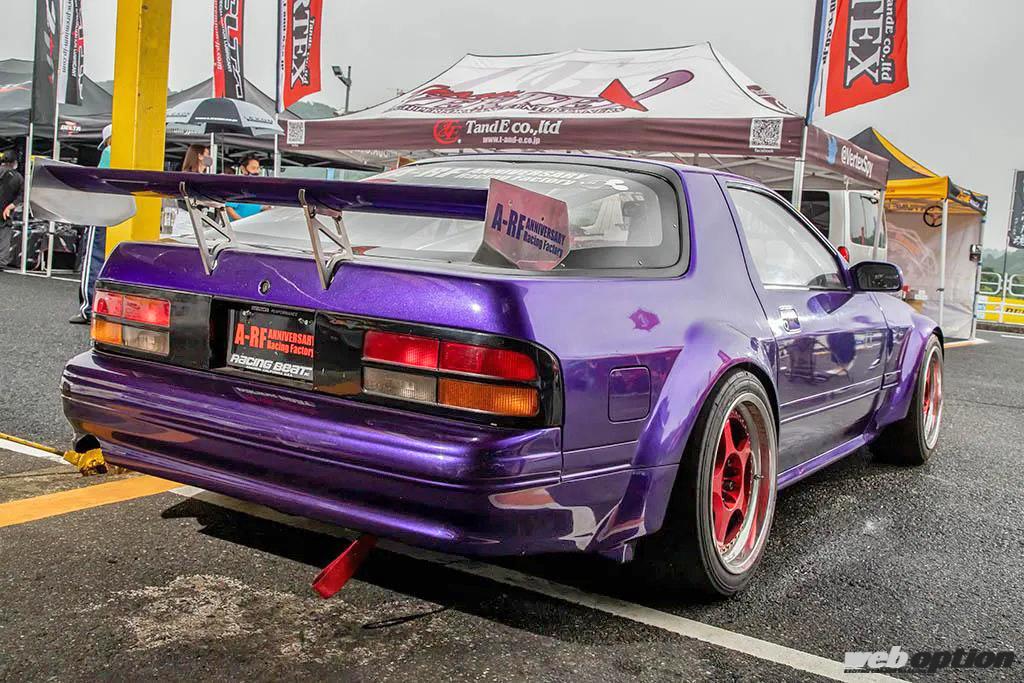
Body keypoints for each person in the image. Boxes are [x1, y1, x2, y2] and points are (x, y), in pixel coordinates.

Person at [70, 125, 113, 324]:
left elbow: (98, 182)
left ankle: (88, 308)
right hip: (126, 212)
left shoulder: (109, 152)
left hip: (102, 211)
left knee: (94, 257)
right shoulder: (137, 152)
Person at [0, 150, 24, 272]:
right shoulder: (18, 177)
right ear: (14, 162)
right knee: (4, 236)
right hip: (5, 211)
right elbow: (22, 195)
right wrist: (11, 206)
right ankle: (1, 262)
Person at [225, 154, 266, 221]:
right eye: (253, 168)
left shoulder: (257, 187)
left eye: (258, 168)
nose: (257, 171)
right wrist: (242, 222)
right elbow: (228, 208)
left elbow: (258, 207)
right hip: (238, 226)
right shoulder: (237, 185)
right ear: (243, 169)